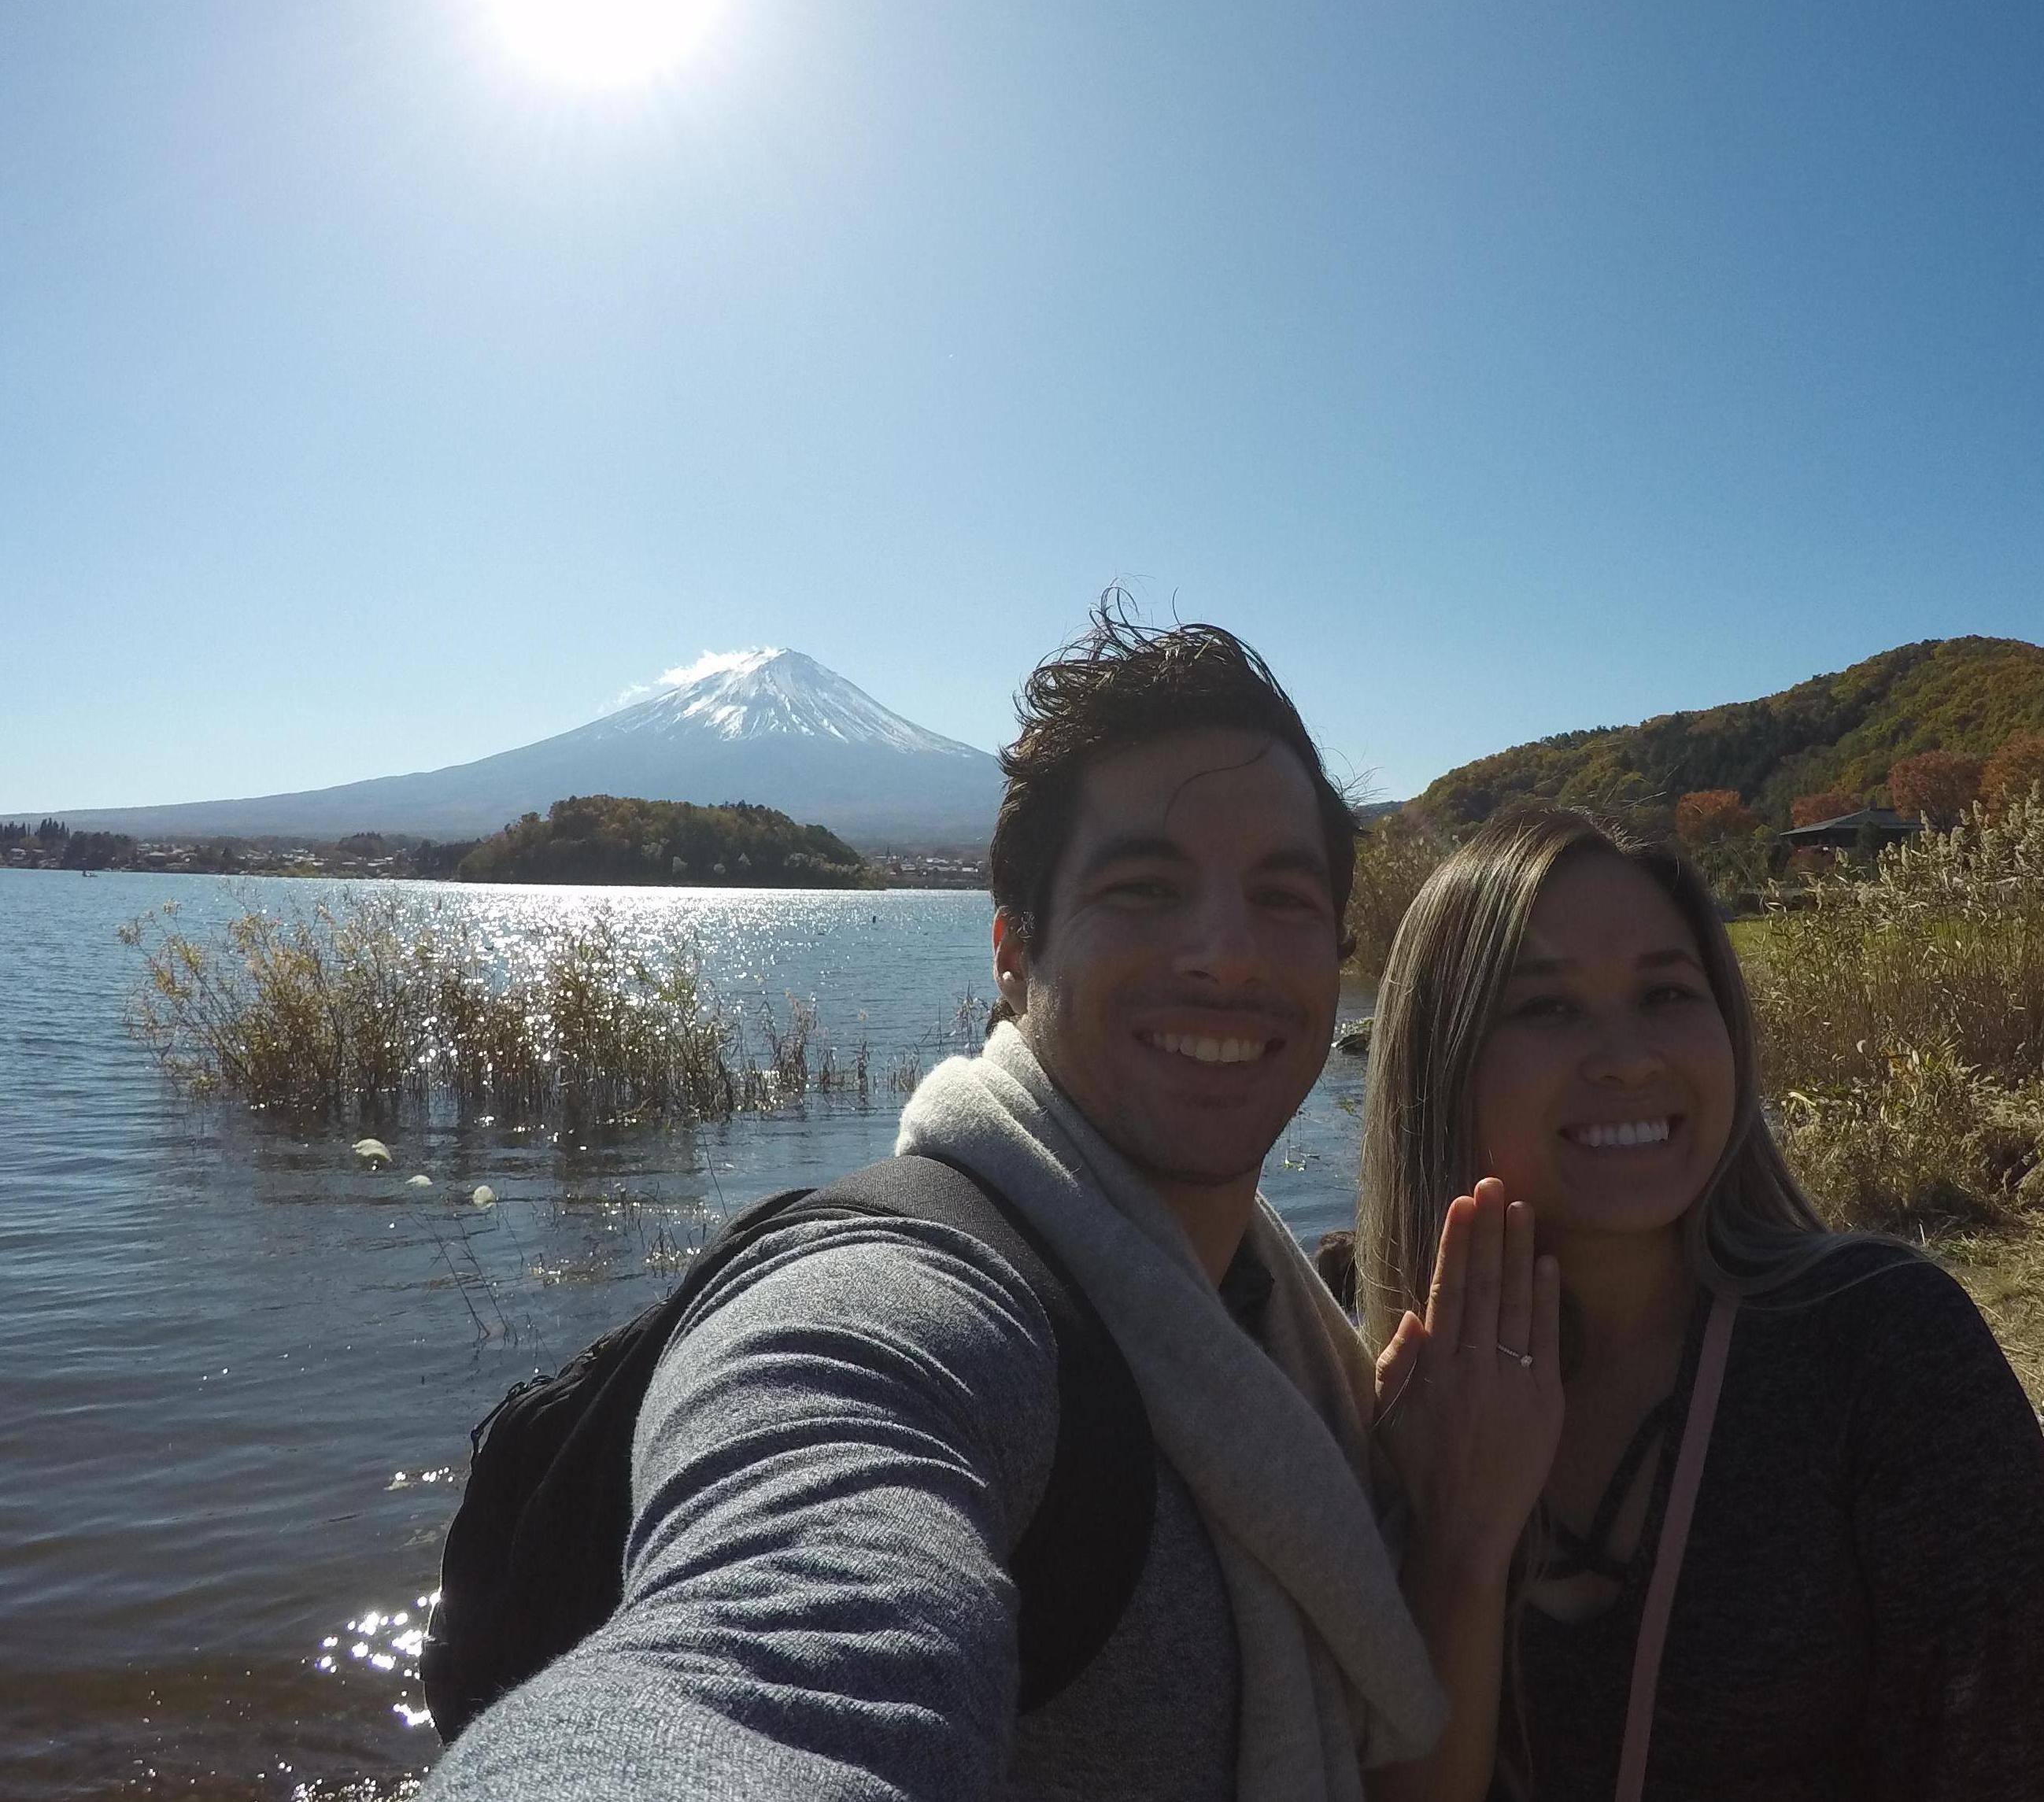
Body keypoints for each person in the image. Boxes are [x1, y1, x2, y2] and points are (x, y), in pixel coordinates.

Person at [423, 607, 1444, 1802]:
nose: (1225, 951)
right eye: (1146, 887)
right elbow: (776, 1657)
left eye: (1283, 897)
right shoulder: (904, 1304)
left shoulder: (1277, 1332)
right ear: (1013, 952)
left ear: (1338, 952)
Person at [1355, 807, 2044, 1801]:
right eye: (1545, 1007)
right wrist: (1457, 1545)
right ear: (1436, 1061)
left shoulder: (1883, 1347)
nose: (1628, 1057)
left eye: (1666, 992)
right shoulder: (1357, 1373)